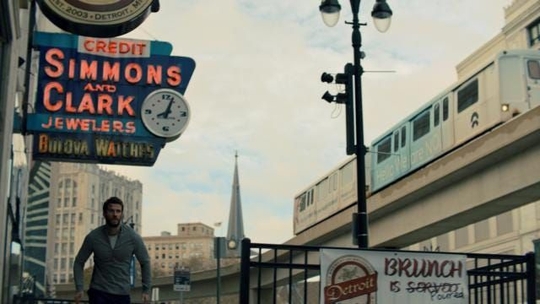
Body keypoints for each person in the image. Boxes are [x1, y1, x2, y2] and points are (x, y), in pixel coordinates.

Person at [73, 196, 151, 304]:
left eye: (118, 211)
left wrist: (146, 290)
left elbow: (145, 262)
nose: (115, 214)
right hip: (98, 292)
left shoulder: (133, 237)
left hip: (122, 294)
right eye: (111, 211)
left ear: (122, 214)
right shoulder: (93, 237)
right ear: (104, 213)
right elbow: (79, 262)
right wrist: (79, 288)